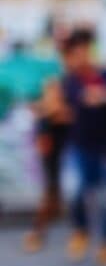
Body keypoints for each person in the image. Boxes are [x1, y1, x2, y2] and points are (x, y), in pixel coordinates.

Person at [60, 28, 106, 266]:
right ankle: (81, 230)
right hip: (82, 146)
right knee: (75, 191)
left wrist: (101, 96)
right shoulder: (70, 81)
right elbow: (66, 108)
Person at [22, 45, 72, 254]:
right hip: (51, 154)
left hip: (58, 154)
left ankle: (45, 230)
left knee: (55, 192)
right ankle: (39, 232)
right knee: (50, 192)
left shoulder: (57, 94)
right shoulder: (51, 95)